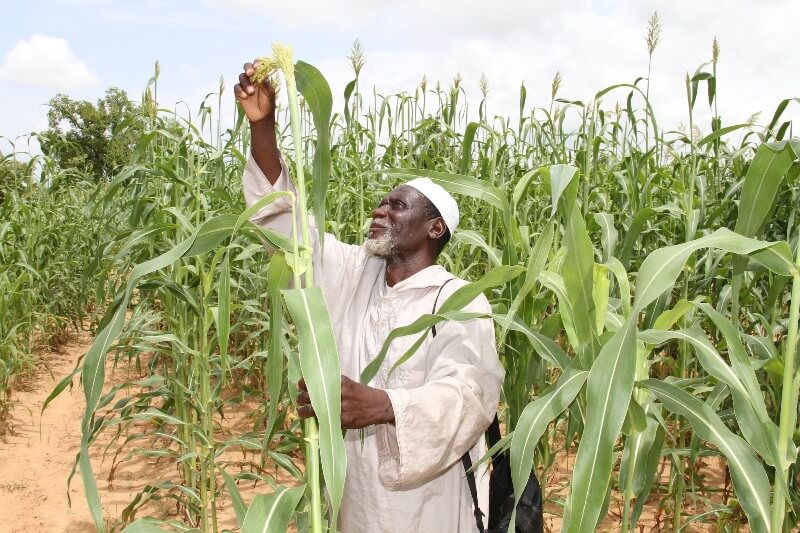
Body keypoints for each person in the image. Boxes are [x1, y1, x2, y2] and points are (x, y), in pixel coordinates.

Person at [235, 59, 504, 532]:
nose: (379, 210)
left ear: (435, 227)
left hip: (430, 509)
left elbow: (472, 395)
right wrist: (264, 125)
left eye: (398, 205)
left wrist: (379, 406)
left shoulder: (458, 299)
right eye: (382, 202)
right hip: (355, 500)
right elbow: (287, 229)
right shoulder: (355, 272)